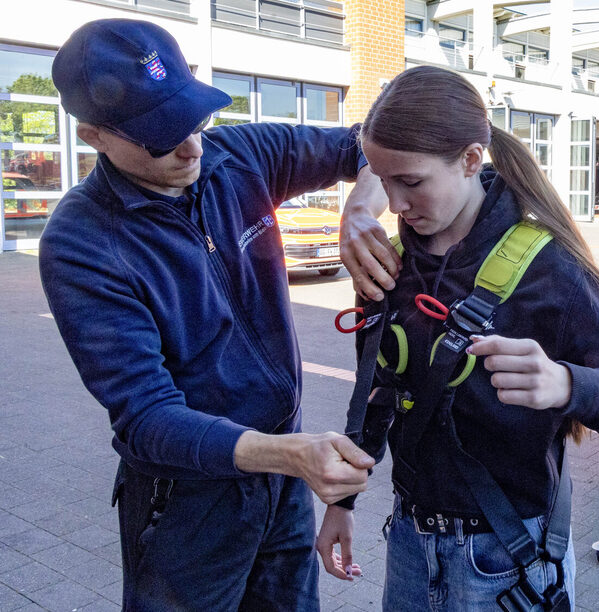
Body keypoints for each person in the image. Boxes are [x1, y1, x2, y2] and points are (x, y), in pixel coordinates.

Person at [39, 19, 387, 610]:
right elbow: (147, 417)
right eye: (160, 136)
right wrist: (292, 455)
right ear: (94, 136)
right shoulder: (82, 242)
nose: (193, 148)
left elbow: (375, 147)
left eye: (193, 119)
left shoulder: (240, 155)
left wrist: (360, 208)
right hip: (187, 504)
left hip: (282, 481)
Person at [315, 65, 599, 610]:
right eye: (381, 179)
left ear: (470, 160)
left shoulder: (548, 269)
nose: (394, 205)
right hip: (410, 546)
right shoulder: (391, 263)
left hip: (507, 562)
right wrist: (343, 501)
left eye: (411, 182)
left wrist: (567, 384)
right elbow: (379, 391)